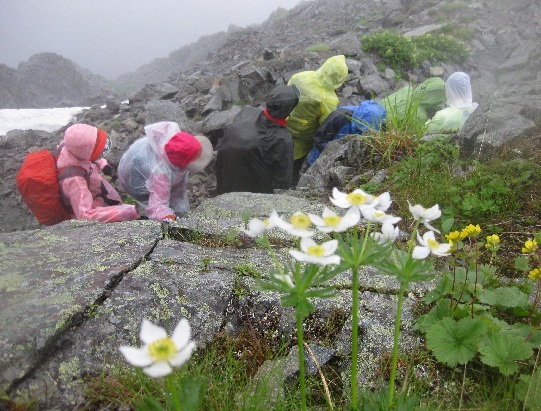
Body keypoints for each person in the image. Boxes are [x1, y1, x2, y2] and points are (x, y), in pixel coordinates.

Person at [117, 121, 213, 222]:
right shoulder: (161, 174)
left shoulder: (173, 138)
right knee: (164, 198)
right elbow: (156, 206)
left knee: (175, 195)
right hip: (133, 179)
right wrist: (169, 218)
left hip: (135, 157)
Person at [215, 84, 300, 194]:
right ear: (288, 110)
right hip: (255, 193)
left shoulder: (246, 111)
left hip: (225, 181)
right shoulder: (283, 139)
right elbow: (283, 181)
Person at [56, 123, 140, 222]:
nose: (101, 153)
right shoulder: (74, 181)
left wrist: (102, 164)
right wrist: (125, 212)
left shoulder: (69, 145)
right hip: (91, 204)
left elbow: (84, 158)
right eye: (98, 151)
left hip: (93, 186)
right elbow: (85, 215)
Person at [286, 55, 349, 183]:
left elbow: (286, 94)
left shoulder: (301, 76)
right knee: (291, 168)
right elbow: (325, 125)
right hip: (302, 141)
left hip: (282, 126)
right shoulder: (329, 100)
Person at [307, 99, 386, 165]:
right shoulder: (339, 117)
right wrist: (333, 156)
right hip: (320, 158)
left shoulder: (378, 121)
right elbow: (319, 138)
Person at [380, 77, 447, 126]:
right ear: (435, 99)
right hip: (376, 124)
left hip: (371, 105)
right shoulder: (421, 116)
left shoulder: (407, 89)